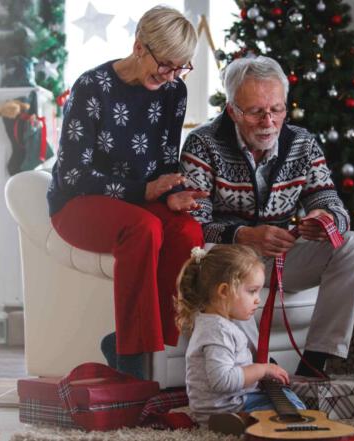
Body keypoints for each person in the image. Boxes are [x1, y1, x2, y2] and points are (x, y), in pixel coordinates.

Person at [180, 56, 354, 376]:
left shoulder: (302, 143)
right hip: (228, 255)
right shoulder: (203, 144)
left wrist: (324, 220)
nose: (268, 121)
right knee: (218, 263)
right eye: (256, 111)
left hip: (281, 255)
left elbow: (332, 203)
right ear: (232, 111)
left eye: (277, 109)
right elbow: (193, 224)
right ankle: (253, 369)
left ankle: (314, 362)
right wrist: (243, 235)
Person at [47, 6, 206, 378]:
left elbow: (166, 159)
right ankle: (134, 363)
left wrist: (172, 192)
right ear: (139, 46)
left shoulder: (173, 91)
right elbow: (72, 174)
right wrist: (145, 190)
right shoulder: (92, 88)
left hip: (141, 198)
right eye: (165, 64)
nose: (170, 76)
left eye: (180, 67)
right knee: (142, 228)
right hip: (77, 203)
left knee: (188, 229)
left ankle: (159, 351)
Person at [176, 244, 306, 430]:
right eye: (252, 291)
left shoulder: (213, 323)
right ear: (224, 291)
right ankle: (242, 421)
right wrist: (261, 370)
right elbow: (223, 381)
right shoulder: (218, 331)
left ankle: (245, 421)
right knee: (296, 408)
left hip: (224, 404)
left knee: (286, 398)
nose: (257, 299)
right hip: (225, 406)